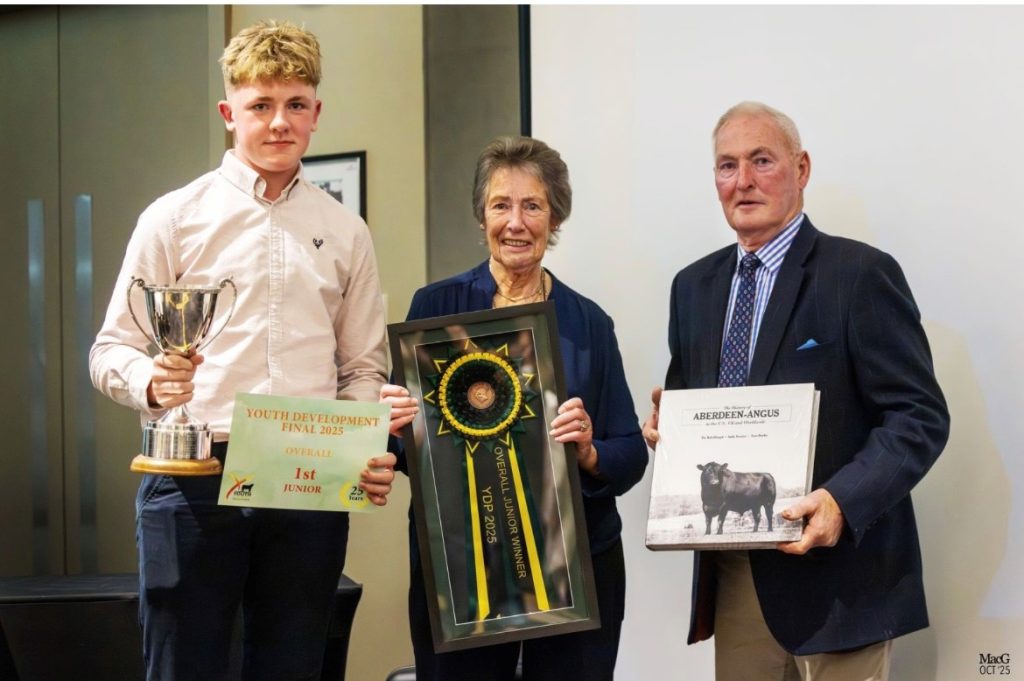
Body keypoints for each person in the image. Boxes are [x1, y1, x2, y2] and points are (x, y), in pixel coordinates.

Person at [89, 20, 396, 681]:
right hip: (194, 473)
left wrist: (362, 447)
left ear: (317, 113)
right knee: (184, 667)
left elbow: (363, 367)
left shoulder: (346, 232)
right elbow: (111, 348)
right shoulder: (173, 218)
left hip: (308, 474)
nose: (279, 122)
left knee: (292, 666)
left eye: (295, 104)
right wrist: (152, 381)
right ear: (230, 114)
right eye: (261, 105)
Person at [642, 101, 950, 680]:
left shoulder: (859, 274)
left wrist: (841, 502)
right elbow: (691, 398)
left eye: (762, 160)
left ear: (801, 168)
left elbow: (919, 416)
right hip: (738, 580)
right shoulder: (693, 287)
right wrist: (671, 430)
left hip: (843, 582)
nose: (744, 180)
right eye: (727, 166)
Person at [382, 135, 648, 681]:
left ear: (555, 218)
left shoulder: (588, 323)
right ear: (481, 217)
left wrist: (589, 451)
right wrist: (396, 428)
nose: (516, 223)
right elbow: (400, 446)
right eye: (501, 205)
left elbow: (629, 453)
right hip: (460, 573)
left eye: (533, 206)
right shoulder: (435, 308)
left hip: (574, 570)